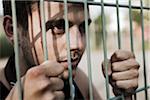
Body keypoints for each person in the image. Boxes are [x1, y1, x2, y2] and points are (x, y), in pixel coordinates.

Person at [0, 1, 140, 100]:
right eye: (59, 27)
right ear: (12, 29)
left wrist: (125, 96)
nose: (78, 44)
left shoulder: (78, 80)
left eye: (83, 27)